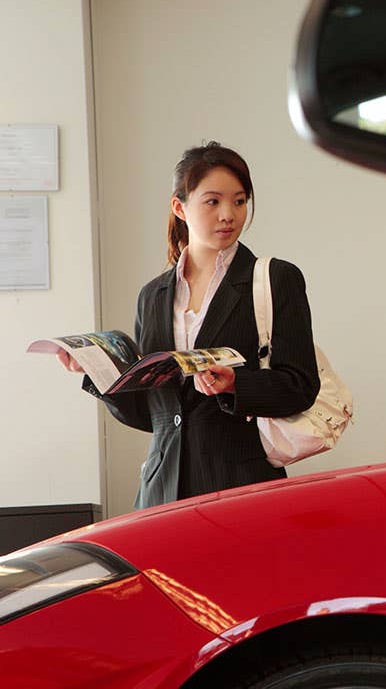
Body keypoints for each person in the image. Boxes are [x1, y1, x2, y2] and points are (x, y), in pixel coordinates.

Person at [58, 141, 320, 508]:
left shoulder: (276, 278)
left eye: (239, 201)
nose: (228, 214)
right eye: (212, 202)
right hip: (161, 491)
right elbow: (152, 415)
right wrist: (99, 374)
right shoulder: (153, 295)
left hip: (241, 488)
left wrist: (235, 384)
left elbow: (302, 385)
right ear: (180, 207)